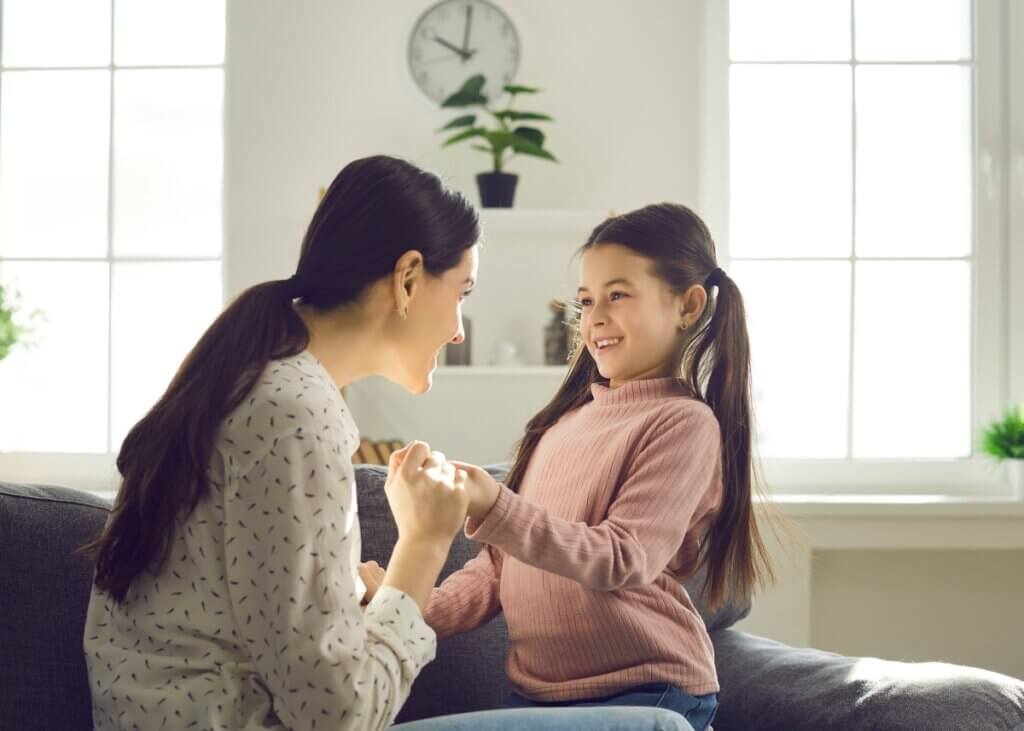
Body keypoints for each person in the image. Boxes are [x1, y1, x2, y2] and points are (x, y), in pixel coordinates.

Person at [80, 156, 692, 731]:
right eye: (463, 293)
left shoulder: (261, 386)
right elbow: (336, 714)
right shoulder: (294, 414)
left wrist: (388, 594)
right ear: (406, 279)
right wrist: (424, 542)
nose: (457, 331)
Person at [413, 202, 776, 731]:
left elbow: (623, 557)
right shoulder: (562, 425)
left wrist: (497, 504)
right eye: (586, 301)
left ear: (688, 305)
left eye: (618, 295)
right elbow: (498, 567)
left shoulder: (683, 423)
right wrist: (406, 604)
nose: (595, 317)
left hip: (648, 692)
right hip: (538, 698)